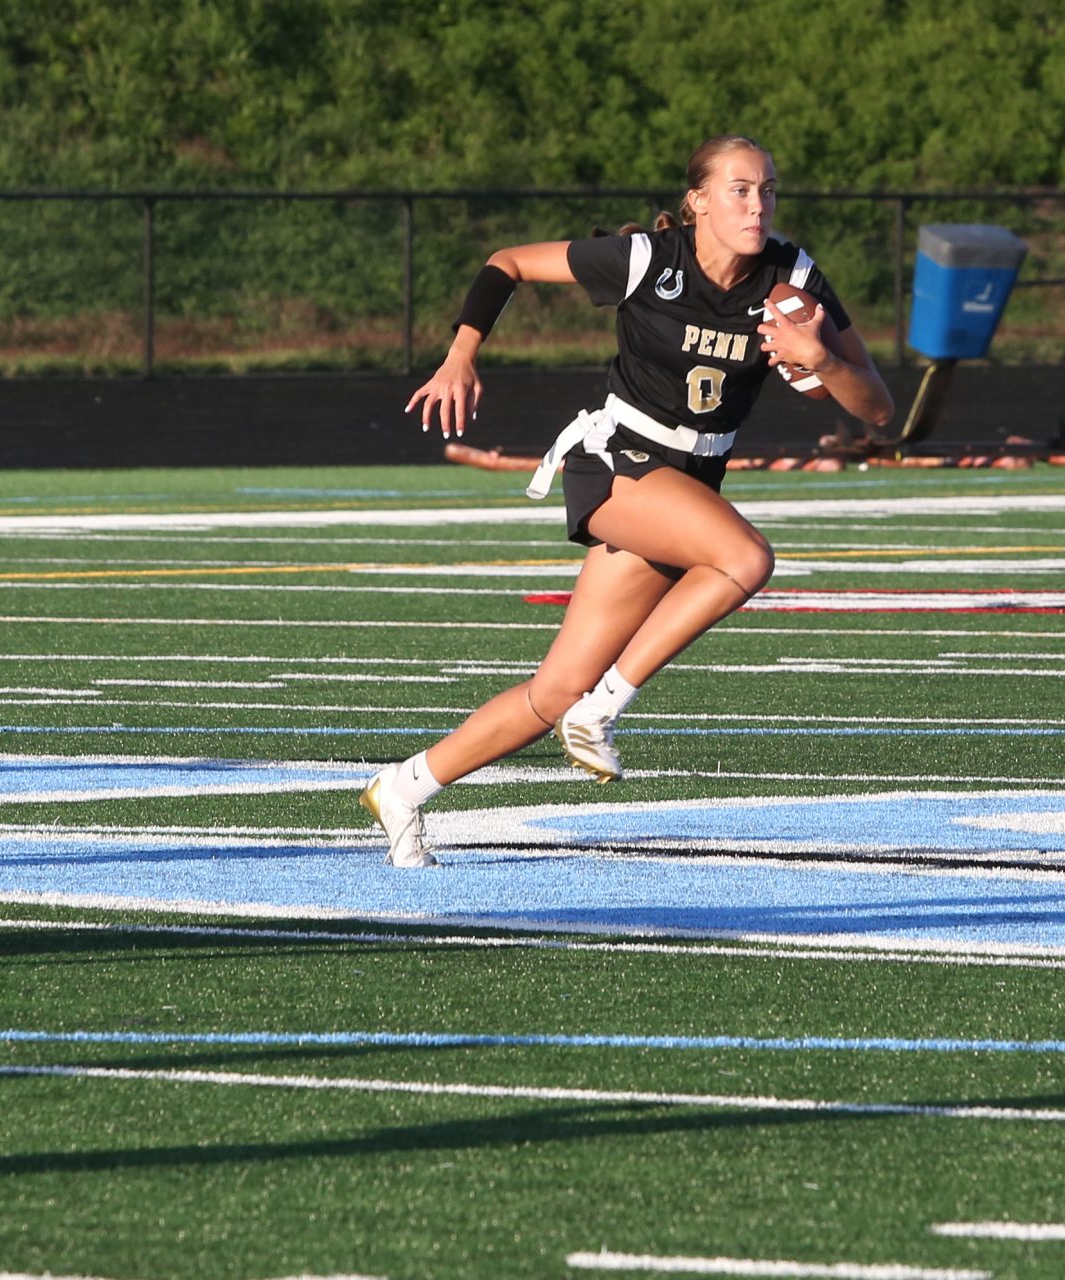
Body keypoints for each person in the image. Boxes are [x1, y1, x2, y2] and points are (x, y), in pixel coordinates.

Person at [362, 136, 893, 868]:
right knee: (745, 558)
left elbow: (879, 409)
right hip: (619, 459)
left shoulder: (792, 277)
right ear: (698, 200)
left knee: (554, 692)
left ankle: (403, 787)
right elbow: (506, 262)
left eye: (768, 189)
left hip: (691, 481)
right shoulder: (647, 259)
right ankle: (604, 708)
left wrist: (823, 360)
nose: (758, 205)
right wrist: (460, 354)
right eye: (739, 189)